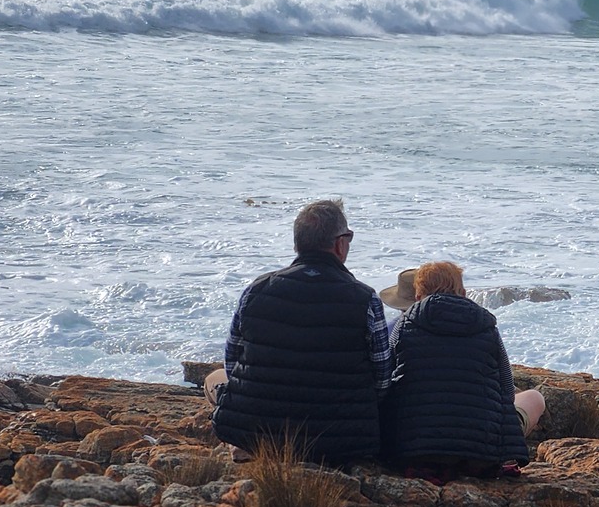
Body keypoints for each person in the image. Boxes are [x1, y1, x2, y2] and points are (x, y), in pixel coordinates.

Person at [209, 199, 391, 465]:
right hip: (338, 441)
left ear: (297, 244)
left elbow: (232, 360)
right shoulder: (364, 299)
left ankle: (247, 449)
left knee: (214, 378)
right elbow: (382, 378)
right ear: (340, 243)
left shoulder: (257, 290)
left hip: (259, 431)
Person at [381, 261, 544, 482]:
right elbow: (506, 388)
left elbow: (385, 379)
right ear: (465, 294)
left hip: (417, 451)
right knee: (534, 397)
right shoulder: (487, 327)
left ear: (418, 297)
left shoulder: (403, 325)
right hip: (481, 455)